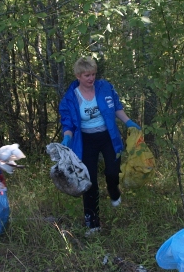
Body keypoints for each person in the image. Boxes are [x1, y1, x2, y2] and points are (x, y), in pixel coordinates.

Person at [59, 57, 140, 235]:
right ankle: (93, 223)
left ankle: (113, 190)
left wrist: (128, 122)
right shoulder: (71, 98)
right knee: (89, 182)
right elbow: (68, 124)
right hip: (86, 140)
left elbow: (117, 108)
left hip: (107, 136)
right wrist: (66, 138)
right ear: (78, 76)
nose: (91, 78)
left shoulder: (105, 88)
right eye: (87, 75)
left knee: (112, 171)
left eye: (93, 74)